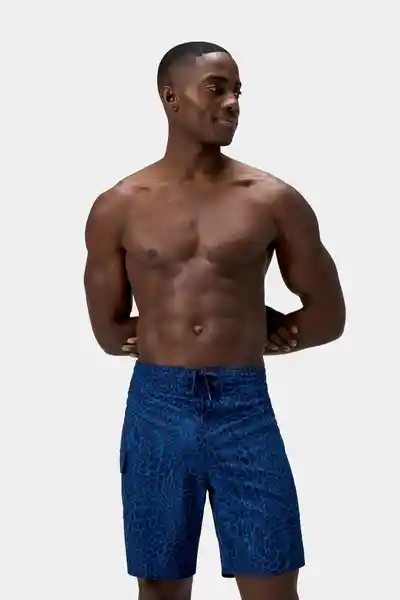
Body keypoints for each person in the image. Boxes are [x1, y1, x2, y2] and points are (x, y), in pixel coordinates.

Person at [84, 41, 346, 600]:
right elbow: (108, 330)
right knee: (160, 585)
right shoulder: (119, 205)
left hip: (243, 407)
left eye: (237, 91)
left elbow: (329, 316)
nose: (232, 102)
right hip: (158, 406)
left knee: (272, 579)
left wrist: (254, 329)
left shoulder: (273, 199)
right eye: (216, 88)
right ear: (170, 97)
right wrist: (169, 332)